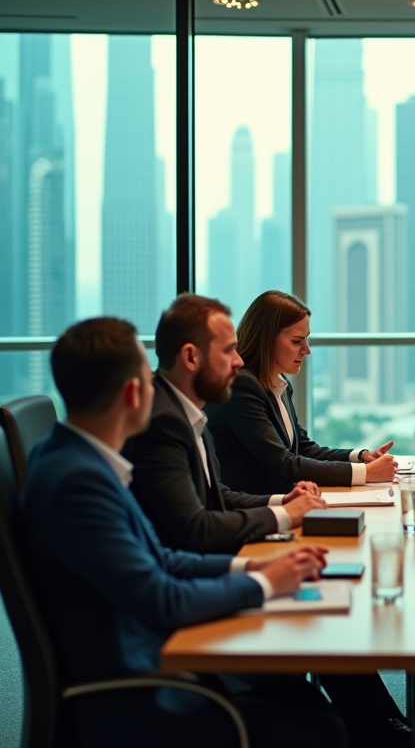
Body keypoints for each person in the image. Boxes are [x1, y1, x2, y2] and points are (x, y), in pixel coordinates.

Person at [18, 317, 372, 747]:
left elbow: (162, 559)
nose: (155, 387)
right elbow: (161, 596)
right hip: (141, 689)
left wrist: (257, 567)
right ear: (133, 394)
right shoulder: (79, 481)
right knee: (320, 726)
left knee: (309, 700)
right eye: (147, 379)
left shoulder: (80, 459)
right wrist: (262, 583)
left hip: (156, 653)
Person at [123, 294, 326, 554]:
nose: (239, 361)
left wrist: (282, 502)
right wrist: (283, 517)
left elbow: (217, 496)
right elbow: (195, 530)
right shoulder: (162, 422)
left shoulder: (188, 412)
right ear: (191, 357)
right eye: (228, 350)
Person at [205, 290, 398, 494]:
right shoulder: (240, 385)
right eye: (297, 341)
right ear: (266, 339)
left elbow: (303, 448)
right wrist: (366, 473)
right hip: (250, 510)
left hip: (278, 500)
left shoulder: (279, 383)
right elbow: (285, 463)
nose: (306, 350)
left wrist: (361, 456)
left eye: (306, 340)